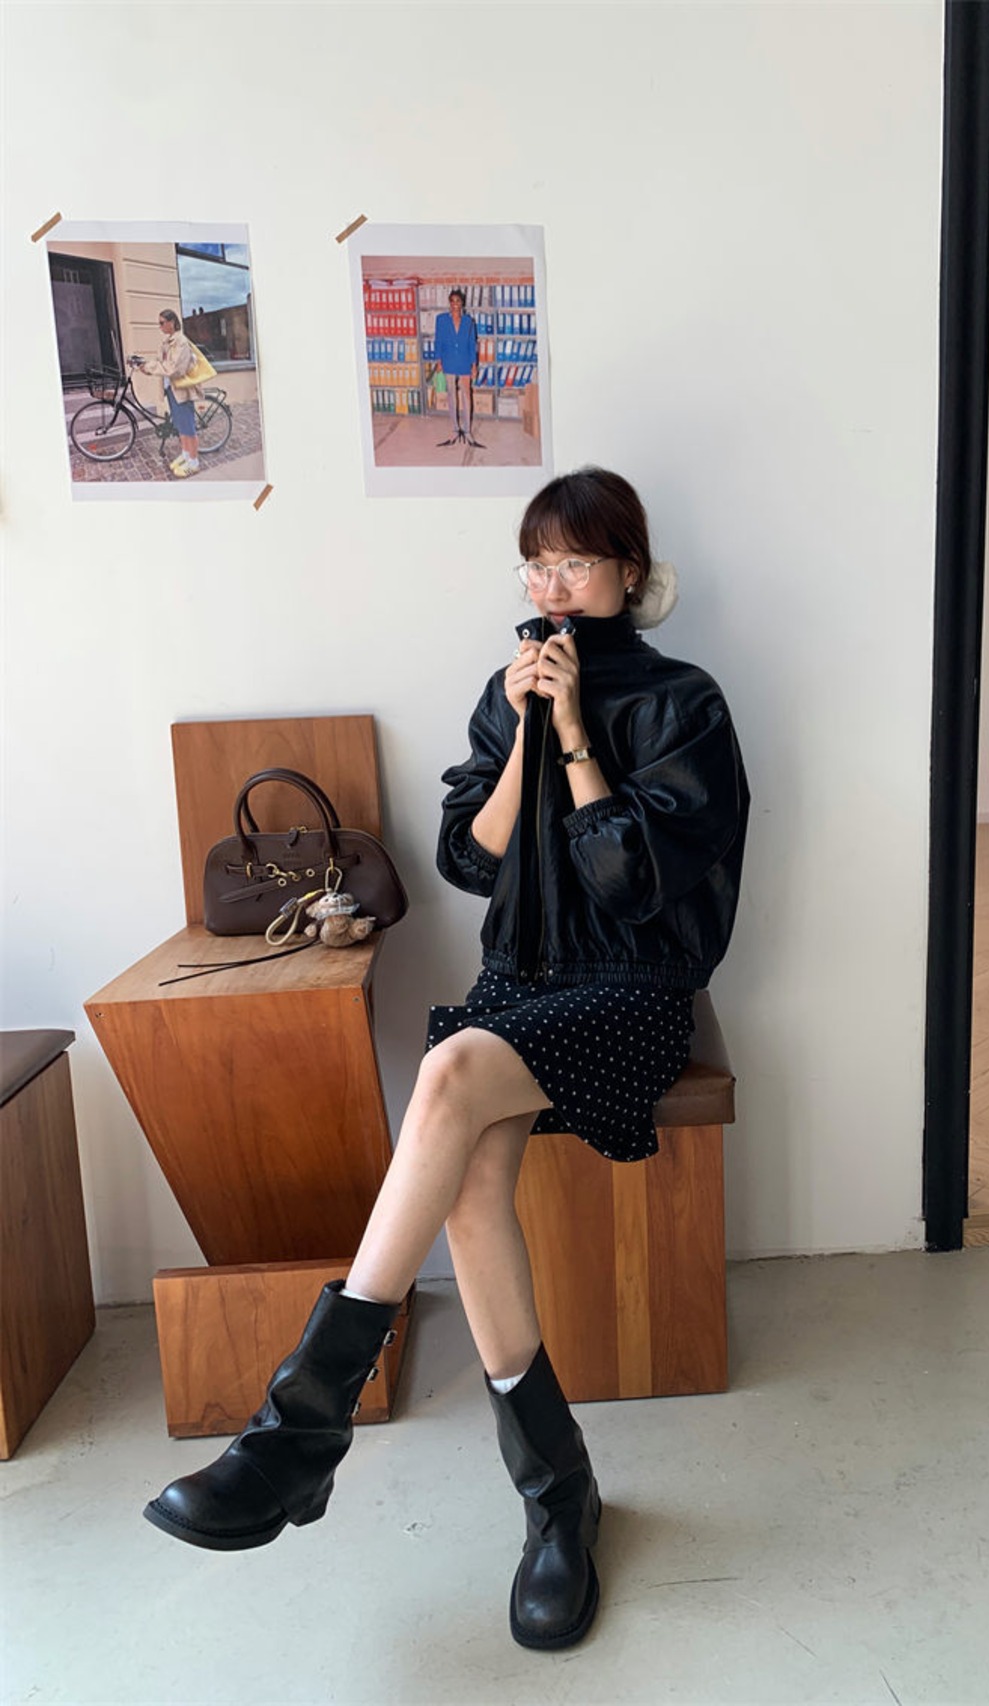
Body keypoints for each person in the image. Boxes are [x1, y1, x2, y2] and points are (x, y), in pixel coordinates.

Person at [143, 467, 750, 1652]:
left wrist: (575, 734)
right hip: (519, 981)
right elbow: (471, 862)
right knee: (470, 1175)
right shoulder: (500, 691)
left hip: (633, 988)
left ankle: (301, 1429)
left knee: (449, 1074)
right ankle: (556, 1496)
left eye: (574, 561)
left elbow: (632, 883)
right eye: (535, 562)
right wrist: (524, 732)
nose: (550, 584)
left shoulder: (686, 702)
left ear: (628, 571)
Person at [133, 309, 204, 478]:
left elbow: (175, 369)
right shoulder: (167, 342)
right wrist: (144, 365)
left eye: (162, 323)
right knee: (180, 426)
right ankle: (186, 456)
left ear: (172, 322)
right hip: (171, 389)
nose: (160, 326)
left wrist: (150, 367)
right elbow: (160, 362)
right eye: (159, 323)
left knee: (188, 428)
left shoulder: (181, 342)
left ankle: (194, 463)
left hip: (182, 390)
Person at [434, 286, 481, 448]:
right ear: (449, 303)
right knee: (451, 395)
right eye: (452, 301)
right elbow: (438, 340)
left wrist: (473, 365)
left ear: (462, 303)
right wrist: (438, 360)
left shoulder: (469, 322)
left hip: (464, 361)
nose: (455, 304)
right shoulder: (441, 320)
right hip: (448, 361)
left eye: (458, 301)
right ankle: (455, 430)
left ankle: (467, 431)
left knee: (466, 395)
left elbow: (472, 344)